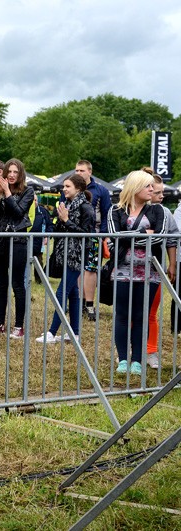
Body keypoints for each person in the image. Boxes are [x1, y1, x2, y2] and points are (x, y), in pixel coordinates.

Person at [107, 170, 166, 376]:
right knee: (122, 315)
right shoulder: (116, 209)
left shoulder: (157, 210)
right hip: (123, 269)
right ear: (136, 187)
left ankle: (138, 360)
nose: (152, 189)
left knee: (142, 316)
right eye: (148, 186)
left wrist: (130, 236)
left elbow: (159, 237)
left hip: (150, 272)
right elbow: (114, 236)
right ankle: (123, 359)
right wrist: (143, 234)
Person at [36, 174, 94, 344]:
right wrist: (59, 221)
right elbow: (59, 227)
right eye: (64, 186)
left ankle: (52, 332)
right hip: (64, 253)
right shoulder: (66, 205)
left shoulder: (86, 208)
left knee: (62, 292)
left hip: (77, 255)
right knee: (73, 293)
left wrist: (67, 220)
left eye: (67, 186)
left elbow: (85, 234)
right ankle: (74, 333)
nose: (64, 189)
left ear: (78, 188)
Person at [0, 158, 34, 338]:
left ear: (20, 174)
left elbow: (18, 213)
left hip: (18, 241)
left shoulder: (28, 191)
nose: (12, 175)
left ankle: (18, 326)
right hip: (0, 240)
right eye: (9, 172)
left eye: (16, 172)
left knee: (17, 284)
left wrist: (6, 192)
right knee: (0, 284)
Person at [70, 160, 112, 321]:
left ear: (90, 172)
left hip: (94, 235)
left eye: (81, 170)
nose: (78, 173)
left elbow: (107, 213)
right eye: (76, 170)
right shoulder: (69, 187)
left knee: (91, 269)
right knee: (77, 268)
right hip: (74, 235)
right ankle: (78, 302)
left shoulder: (101, 190)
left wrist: (103, 236)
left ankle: (89, 304)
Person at [145, 175, 177, 369]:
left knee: (151, 313)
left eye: (162, 192)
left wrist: (172, 264)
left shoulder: (164, 212)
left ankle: (151, 351)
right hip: (130, 268)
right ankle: (129, 353)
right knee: (130, 313)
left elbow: (172, 239)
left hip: (155, 267)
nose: (161, 195)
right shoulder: (128, 209)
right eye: (157, 192)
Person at [29, 194, 54, 284]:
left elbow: (50, 225)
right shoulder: (24, 209)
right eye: (32, 200)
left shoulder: (43, 211)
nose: (34, 202)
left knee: (38, 262)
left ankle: (39, 280)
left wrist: (48, 236)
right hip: (25, 241)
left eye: (35, 200)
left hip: (38, 242)